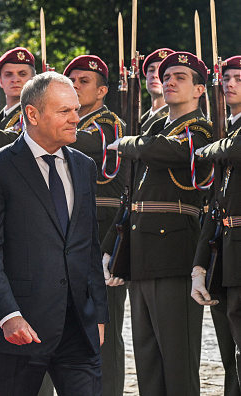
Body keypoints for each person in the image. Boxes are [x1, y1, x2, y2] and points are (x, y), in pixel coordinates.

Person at [0, 71, 109, 396]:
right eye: (65, 111)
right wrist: (8, 315)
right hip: (20, 329)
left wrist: (99, 313)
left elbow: (88, 246)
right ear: (32, 113)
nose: (76, 118)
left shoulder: (84, 166)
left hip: (78, 328)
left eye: (76, 109)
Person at [106, 51, 212, 396]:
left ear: (199, 89)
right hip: (141, 253)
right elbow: (129, 197)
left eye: (180, 77)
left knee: (177, 363)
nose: (169, 82)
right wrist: (111, 248)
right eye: (166, 77)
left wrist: (128, 142)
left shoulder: (201, 129)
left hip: (174, 253)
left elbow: (171, 152)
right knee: (148, 360)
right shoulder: (155, 130)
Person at [63, 54, 126, 396]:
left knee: (105, 326)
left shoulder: (109, 123)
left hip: (103, 231)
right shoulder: (69, 122)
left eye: (83, 81)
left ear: (102, 90)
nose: (74, 85)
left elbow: (83, 143)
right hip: (74, 229)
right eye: (70, 80)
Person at [193, 55, 241, 395]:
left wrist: (207, 150)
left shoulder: (229, 140)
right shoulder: (228, 129)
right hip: (226, 254)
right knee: (231, 356)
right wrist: (199, 265)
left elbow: (236, 148)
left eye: (239, 78)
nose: (230, 84)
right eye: (226, 78)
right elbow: (214, 207)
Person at [140, 48, 174, 133]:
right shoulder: (141, 120)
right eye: (151, 70)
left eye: (161, 71)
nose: (155, 75)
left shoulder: (175, 117)